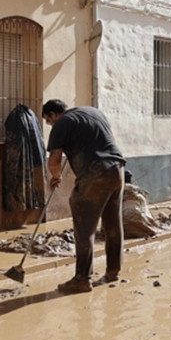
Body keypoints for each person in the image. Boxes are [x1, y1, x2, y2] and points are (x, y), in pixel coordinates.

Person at [42, 100, 126, 294]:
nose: (50, 125)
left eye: (48, 121)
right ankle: (113, 270)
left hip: (94, 173)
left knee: (84, 227)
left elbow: (54, 160)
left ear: (53, 114)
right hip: (117, 169)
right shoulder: (94, 112)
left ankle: (82, 278)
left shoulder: (62, 124)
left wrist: (55, 177)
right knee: (113, 223)